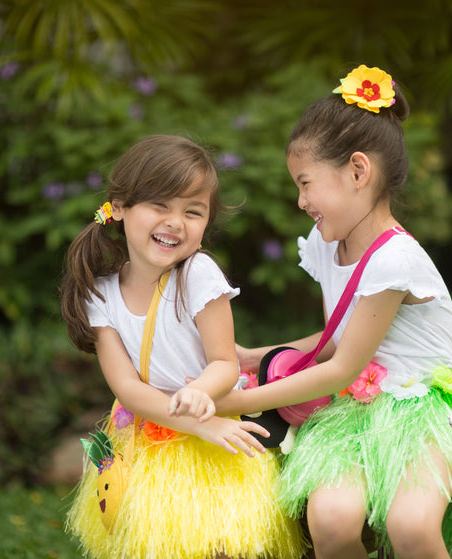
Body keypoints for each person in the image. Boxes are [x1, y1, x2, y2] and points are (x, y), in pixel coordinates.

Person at [215, 66, 452, 559]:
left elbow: (341, 368)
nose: (301, 201)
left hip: (426, 412)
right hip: (361, 412)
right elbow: (337, 341)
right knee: (331, 520)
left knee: (411, 525)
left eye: (306, 183)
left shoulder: (394, 259)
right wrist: (256, 356)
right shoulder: (326, 244)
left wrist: (234, 404)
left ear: (358, 171)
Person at [60, 134, 306, 559]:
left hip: (214, 429)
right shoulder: (100, 295)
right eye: (160, 205)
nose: (176, 221)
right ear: (119, 208)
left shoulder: (197, 274)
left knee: (222, 544)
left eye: (193, 212)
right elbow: (128, 388)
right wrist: (196, 424)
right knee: (156, 543)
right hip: (153, 437)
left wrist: (200, 394)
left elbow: (225, 363)